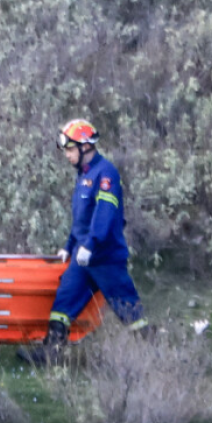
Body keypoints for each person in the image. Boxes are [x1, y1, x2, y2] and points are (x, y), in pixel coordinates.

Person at [22, 119, 146, 364]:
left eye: (70, 150)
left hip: (105, 258)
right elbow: (81, 219)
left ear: (85, 147)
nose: (67, 155)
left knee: (128, 310)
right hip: (82, 257)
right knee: (63, 302)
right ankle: (51, 353)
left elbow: (105, 215)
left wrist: (91, 244)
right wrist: (69, 247)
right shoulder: (84, 176)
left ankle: (154, 355)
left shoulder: (106, 173)